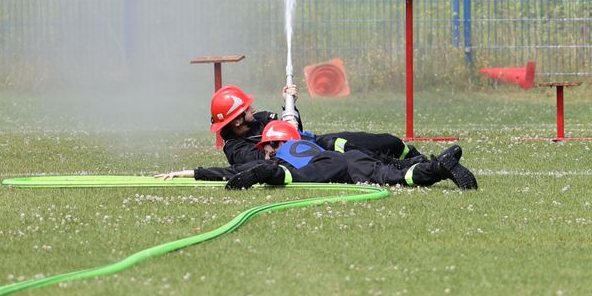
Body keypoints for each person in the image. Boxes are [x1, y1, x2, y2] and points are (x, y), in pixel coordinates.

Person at [207, 84, 456, 180]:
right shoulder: (236, 149)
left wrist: (290, 106)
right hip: (316, 156)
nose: (251, 107)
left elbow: (294, 131)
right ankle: (411, 166)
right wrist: (284, 140)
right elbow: (271, 160)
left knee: (388, 141)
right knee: (355, 157)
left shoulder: (260, 118)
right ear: (236, 121)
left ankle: (408, 155)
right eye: (245, 107)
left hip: (317, 142)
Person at [185, 119, 477, 190]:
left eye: (268, 147)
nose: (267, 151)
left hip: (331, 168)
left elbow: (231, 171)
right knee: (393, 174)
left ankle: (435, 169)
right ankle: (436, 166)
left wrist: (195, 173)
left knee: (285, 174)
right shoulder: (303, 144)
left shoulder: (283, 154)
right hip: (352, 161)